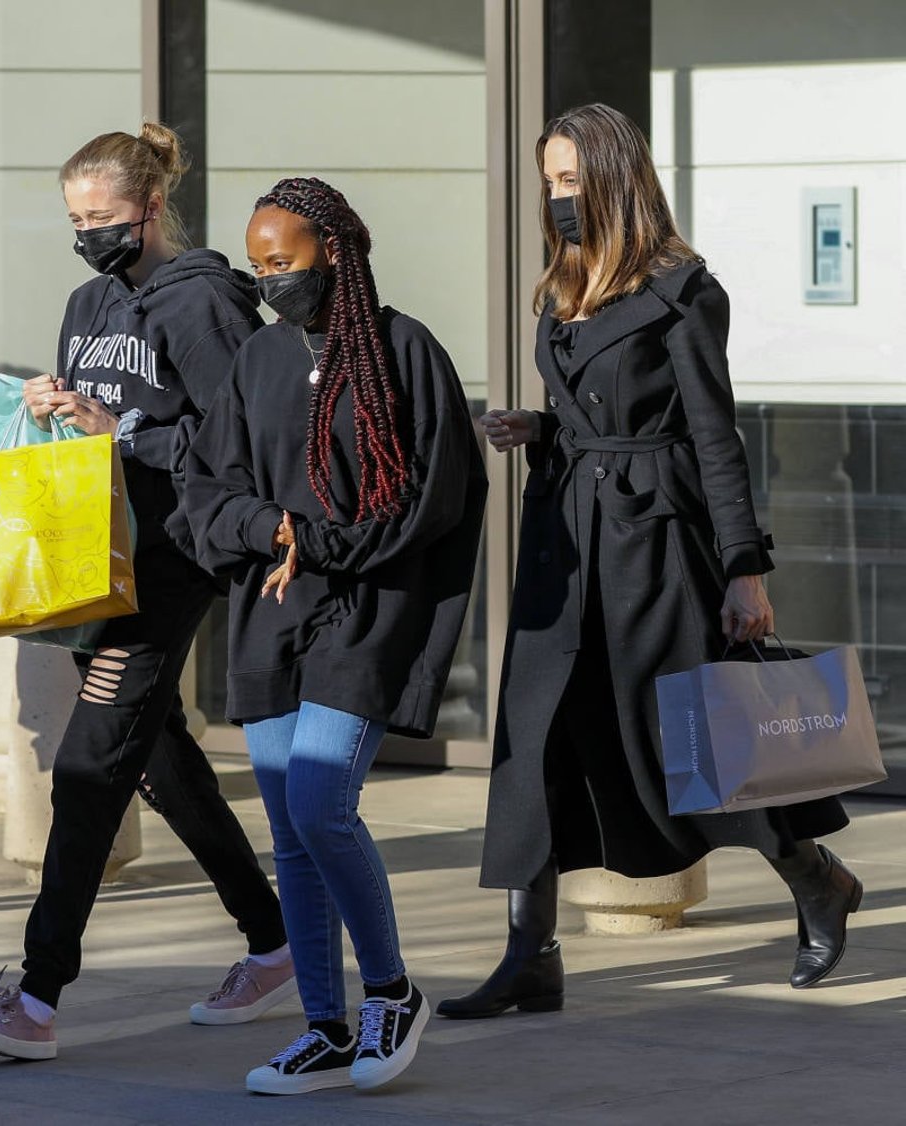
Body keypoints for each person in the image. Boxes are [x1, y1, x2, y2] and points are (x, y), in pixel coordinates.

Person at [437, 103, 860, 1021]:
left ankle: (816, 878)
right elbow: (597, 416)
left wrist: (745, 569)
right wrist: (541, 430)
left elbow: (715, 437)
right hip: (564, 541)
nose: (557, 196)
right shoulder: (564, 283)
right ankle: (530, 956)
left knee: (703, 735)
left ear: (614, 178)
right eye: (548, 180)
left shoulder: (682, 289)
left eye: (569, 178)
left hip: (658, 542)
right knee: (535, 744)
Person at [0, 123, 294, 1060]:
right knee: (156, 758)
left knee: (89, 767)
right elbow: (89, 437)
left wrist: (117, 431)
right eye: (76, 219)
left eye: (104, 217)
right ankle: (275, 939)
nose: (90, 232)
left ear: (150, 209)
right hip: (105, 559)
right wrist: (48, 409)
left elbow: (242, 441)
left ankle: (38, 994)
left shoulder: (207, 303)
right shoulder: (88, 301)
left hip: (175, 560)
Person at [172, 176, 486, 1094]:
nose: (271, 279)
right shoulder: (259, 362)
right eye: (259, 264)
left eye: (286, 261)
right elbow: (205, 492)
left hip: (368, 609)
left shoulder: (405, 351)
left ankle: (390, 992)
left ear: (336, 251)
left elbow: (432, 499)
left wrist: (316, 541)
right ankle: (325, 1026)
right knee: (289, 833)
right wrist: (270, 529)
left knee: (318, 806)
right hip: (273, 616)